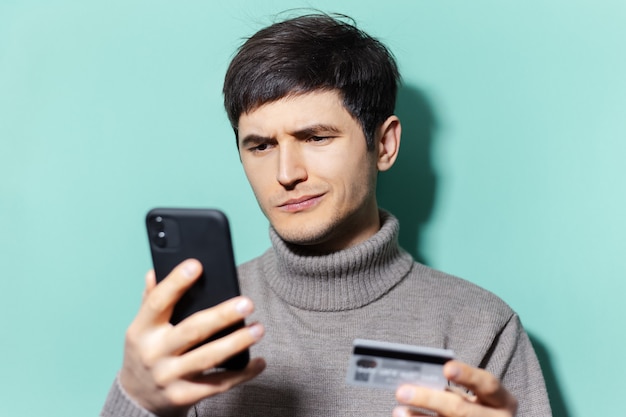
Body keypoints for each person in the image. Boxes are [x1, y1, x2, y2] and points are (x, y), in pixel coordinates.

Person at [101, 13, 551, 417]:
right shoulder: (203, 323)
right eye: (261, 146)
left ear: (385, 145)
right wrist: (137, 401)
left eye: (316, 138)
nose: (285, 174)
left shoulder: (480, 327)